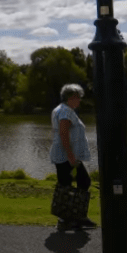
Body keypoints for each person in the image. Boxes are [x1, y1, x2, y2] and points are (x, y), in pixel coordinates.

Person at [50, 83, 96, 229]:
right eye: (77, 97)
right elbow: (63, 134)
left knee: (68, 185)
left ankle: (70, 218)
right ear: (70, 97)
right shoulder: (65, 111)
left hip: (64, 155)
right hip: (66, 157)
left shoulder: (62, 109)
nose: (79, 100)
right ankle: (73, 218)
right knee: (82, 182)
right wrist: (71, 157)